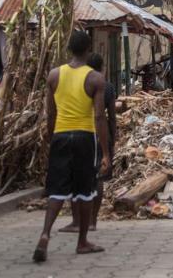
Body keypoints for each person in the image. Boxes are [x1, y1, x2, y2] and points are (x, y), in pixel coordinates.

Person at [33, 30, 111, 263]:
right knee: (84, 191)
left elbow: (50, 113)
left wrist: (51, 139)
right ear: (88, 49)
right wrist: (105, 152)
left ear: (69, 49)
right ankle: (82, 242)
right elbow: (99, 116)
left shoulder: (54, 75)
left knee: (57, 190)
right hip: (84, 137)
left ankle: (45, 234)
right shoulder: (95, 78)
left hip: (61, 135)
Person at [59, 53, 117, 233]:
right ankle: (92, 221)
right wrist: (112, 139)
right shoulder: (107, 86)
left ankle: (76, 221)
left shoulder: (78, 84)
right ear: (102, 68)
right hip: (100, 135)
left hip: (79, 132)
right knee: (98, 177)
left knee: (76, 177)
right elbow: (111, 117)